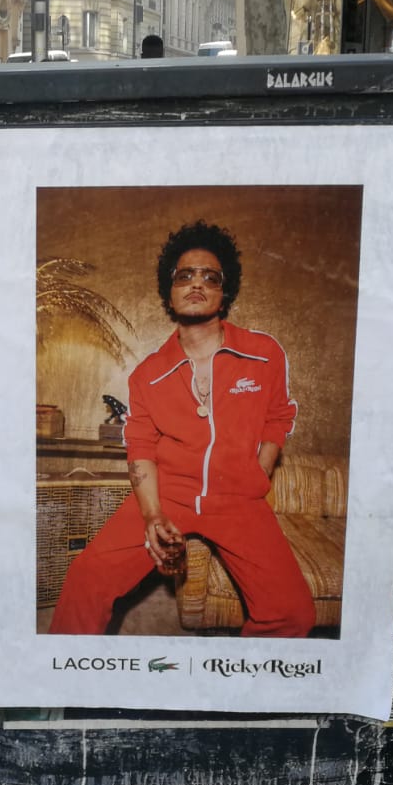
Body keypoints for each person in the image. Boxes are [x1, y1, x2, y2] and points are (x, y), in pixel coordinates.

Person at [48, 221, 314, 638]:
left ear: (224, 292)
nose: (197, 283)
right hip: (169, 493)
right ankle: (57, 691)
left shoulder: (264, 354)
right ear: (169, 291)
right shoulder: (148, 375)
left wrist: (258, 472)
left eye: (211, 276)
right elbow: (140, 447)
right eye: (184, 275)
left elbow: (279, 416)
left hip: (239, 499)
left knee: (292, 613)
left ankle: (234, 694)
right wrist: (153, 514)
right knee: (86, 577)